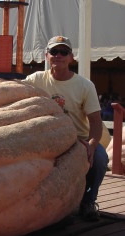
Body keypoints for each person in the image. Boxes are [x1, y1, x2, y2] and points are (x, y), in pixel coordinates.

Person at [22, 36, 108, 221]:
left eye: (63, 52)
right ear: (47, 56)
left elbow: (95, 120)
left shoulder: (85, 85)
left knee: (100, 159)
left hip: (79, 140)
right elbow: (15, 90)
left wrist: (92, 144)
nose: (58, 55)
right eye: (54, 52)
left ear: (71, 57)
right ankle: (41, 206)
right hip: (47, 139)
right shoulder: (36, 79)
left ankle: (87, 201)